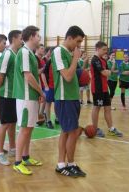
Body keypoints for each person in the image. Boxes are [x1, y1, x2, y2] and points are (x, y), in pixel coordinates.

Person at [51, 26, 86, 177]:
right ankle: (67, 163)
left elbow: (76, 74)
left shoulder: (69, 53)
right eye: (78, 41)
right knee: (72, 132)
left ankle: (65, 164)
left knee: (67, 132)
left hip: (72, 98)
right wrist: (76, 58)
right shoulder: (58, 51)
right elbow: (67, 76)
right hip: (64, 99)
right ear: (69, 37)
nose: (79, 45)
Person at [13, 25, 45, 175]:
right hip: (25, 97)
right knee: (24, 129)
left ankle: (25, 157)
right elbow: (28, 76)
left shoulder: (30, 53)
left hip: (30, 96)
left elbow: (34, 75)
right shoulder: (24, 52)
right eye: (38, 35)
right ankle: (18, 162)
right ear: (31, 36)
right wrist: (41, 91)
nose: (40, 38)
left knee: (29, 128)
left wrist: (37, 93)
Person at [0, 30, 22, 165]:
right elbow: (0, 76)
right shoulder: (7, 55)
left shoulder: (17, 54)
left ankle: (12, 148)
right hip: (5, 94)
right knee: (5, 124)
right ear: (14, 39)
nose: (22, 40)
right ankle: (0, 153)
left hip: (14, 94)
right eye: (20, 38)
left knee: (12, 123)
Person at [90, 41, 123, 138]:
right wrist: (107, 72)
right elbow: (105, 73)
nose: (105, 52)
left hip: (105, 88)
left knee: (108, 108)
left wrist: (108, 72)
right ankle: (95, 129)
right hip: (97, 88)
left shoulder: (103, 60)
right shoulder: (95, 60)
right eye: (103, 50)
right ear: (97, 49)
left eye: (106, 50)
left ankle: (111, 129)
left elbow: (109, 72)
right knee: (97, 108)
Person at [43, 47, 57, 129]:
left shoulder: (59, 61)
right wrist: (46, 86)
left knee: (57, 103)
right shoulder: (49, 62)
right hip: (50, 87)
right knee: (48, 103)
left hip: (57, 87)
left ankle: (57, 117)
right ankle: (48, 120)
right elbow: (43, 74)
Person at [35, 44, 46, 125]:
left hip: (40, 83)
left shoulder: (40, 59)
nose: (43, 50)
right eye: (41, 48)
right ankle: (37, 117)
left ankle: (39, 116)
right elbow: (37, 72)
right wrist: (44, 68)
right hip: (36, 84)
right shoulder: (35, 58)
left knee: (40, 101)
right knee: (37, 102)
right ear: (37, 49)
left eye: (43, 49)